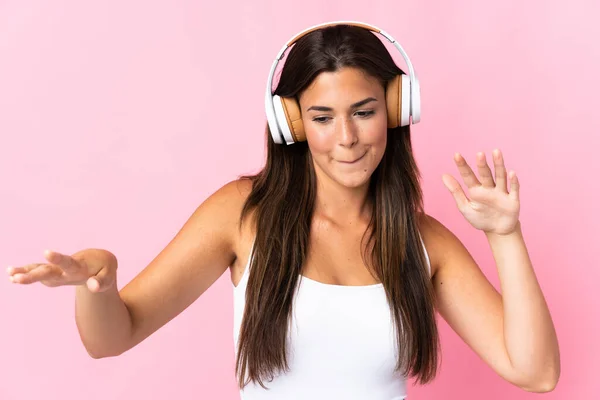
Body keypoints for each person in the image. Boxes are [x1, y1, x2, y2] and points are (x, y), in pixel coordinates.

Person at [6, 21, 559, 399]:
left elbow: (536, 372)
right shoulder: (241, 216)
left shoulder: (421, 242)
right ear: (291, 125)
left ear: (396, 109)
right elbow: (111, 340)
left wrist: (506, 235)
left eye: (364, 111)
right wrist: (99, 284)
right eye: (322, 117)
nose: (346, 137)